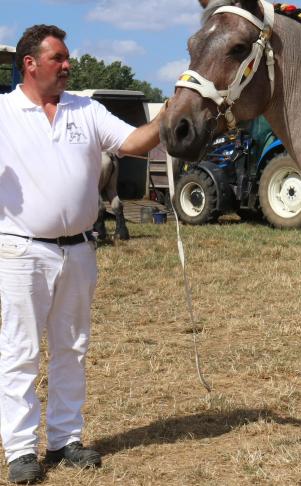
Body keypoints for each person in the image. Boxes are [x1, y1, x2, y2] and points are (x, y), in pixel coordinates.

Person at [0, 25, 164, 484]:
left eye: (67, 57)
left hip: (79, 250)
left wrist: (173, 113)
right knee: (21, 351)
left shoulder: (87, 110)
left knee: (72, 348)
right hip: (22, 251)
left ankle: (65, 439)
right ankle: (19, 450)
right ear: (30, 64)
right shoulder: (3, 113)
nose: (68, 64)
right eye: (59, 58)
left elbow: (134, 143)